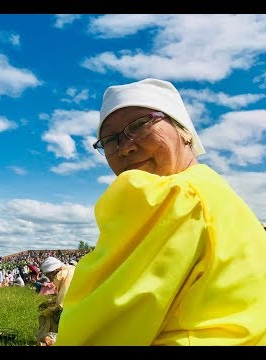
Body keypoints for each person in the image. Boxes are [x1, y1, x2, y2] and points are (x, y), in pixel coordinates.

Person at [54, 78, 266, 346]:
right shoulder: (215, 191)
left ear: (184, 130)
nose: (125, 146)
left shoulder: (174, 196)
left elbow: (102, 325)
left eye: (141, 125)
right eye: (109, 139)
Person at [36, 256, 75, 346]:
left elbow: (63, 302)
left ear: (53, 271)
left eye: (48, 275)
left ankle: (53, 340)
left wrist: (52, 310)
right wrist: (49, 302)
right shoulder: (68, 270)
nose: (49, 279)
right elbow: (65, 294)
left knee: (51, 318)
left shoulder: (63, 274)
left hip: (75, 309)